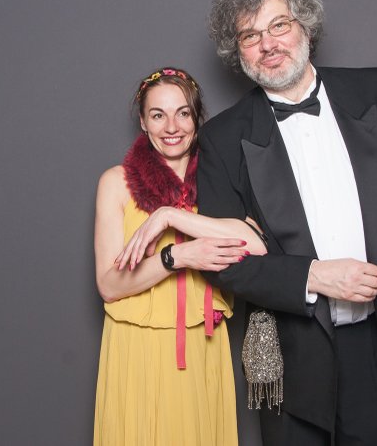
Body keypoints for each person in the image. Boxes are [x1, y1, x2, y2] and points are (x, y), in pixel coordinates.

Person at [196, 0, 377, 445]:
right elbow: (226, 262)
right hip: (296, 362)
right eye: (250, 35)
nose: (267, 44)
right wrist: (313, 277)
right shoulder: (222, 137)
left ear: (306, 27)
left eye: (279, 25)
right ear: (238, 51)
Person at [93, 67, 266, 446]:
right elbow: (109, 285)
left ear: (197, 117)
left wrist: (171, 216)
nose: (172, 127)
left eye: (183, 113)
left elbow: (257, 246)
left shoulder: (221, 181)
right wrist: (177, 256)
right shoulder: (116, 183)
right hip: (138, 350)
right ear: (143, 122)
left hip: (204, 346)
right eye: (158, 115)